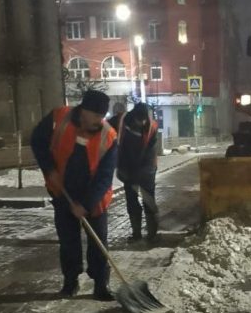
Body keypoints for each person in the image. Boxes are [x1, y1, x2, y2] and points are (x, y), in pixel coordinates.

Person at [30, 90, 117, 300]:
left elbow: (105, 176)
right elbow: (37, 141)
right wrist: (49, 169)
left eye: (102, 116)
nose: (99, 120)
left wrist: (86, 204)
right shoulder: (58, 118)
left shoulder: (109, 136)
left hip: (94, 198)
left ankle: (101, 284)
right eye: (96, 115)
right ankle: (70, 281)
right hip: (63, 192)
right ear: (84, 110)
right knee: (68, 241)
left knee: (98, 242)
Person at [116, 102, 159, 242]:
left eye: (144, 120)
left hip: (147, 169)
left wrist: (145, 173)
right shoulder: (123, 123)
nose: (143, 123)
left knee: (149, 201)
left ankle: (152, 234)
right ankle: (136, 234)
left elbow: (150, 153)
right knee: (132, 202)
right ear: (134, 117)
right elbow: (119, 147)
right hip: (127, 169)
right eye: (140, 120)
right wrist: (122, 169)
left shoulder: (152, 127)